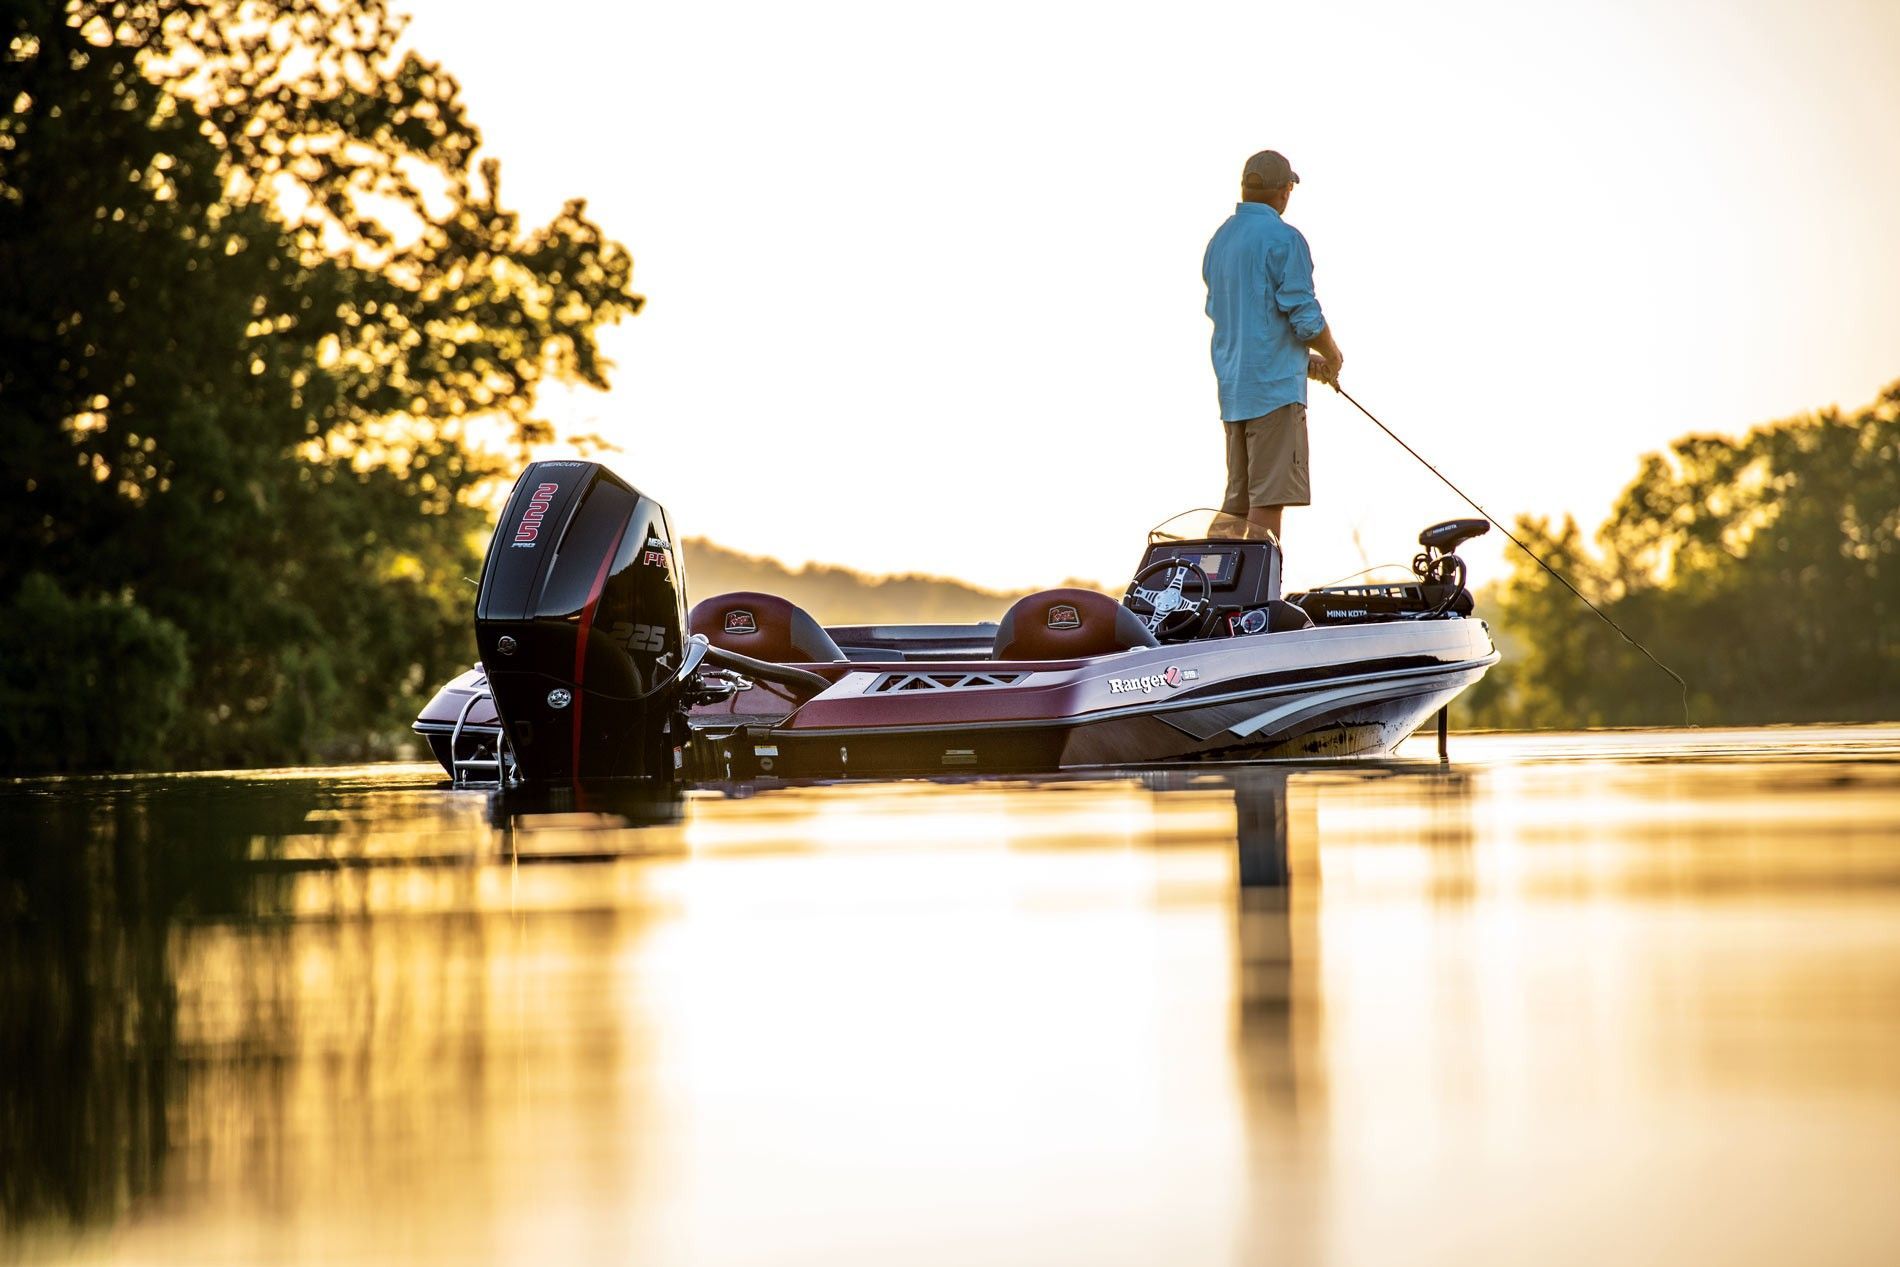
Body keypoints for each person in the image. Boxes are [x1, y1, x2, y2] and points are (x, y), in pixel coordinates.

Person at [1202, 149, 1344, 542]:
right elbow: (1304, 316)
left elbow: (1245, 319)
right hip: (1274, 394)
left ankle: (1205, 596)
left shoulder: (1221, 240)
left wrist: (1303, 361)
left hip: (1235, 392)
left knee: (1237, 504)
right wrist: (1331, 356)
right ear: (1285, 191)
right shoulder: (1284, 238)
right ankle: (1260, 599)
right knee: (1267, 500)